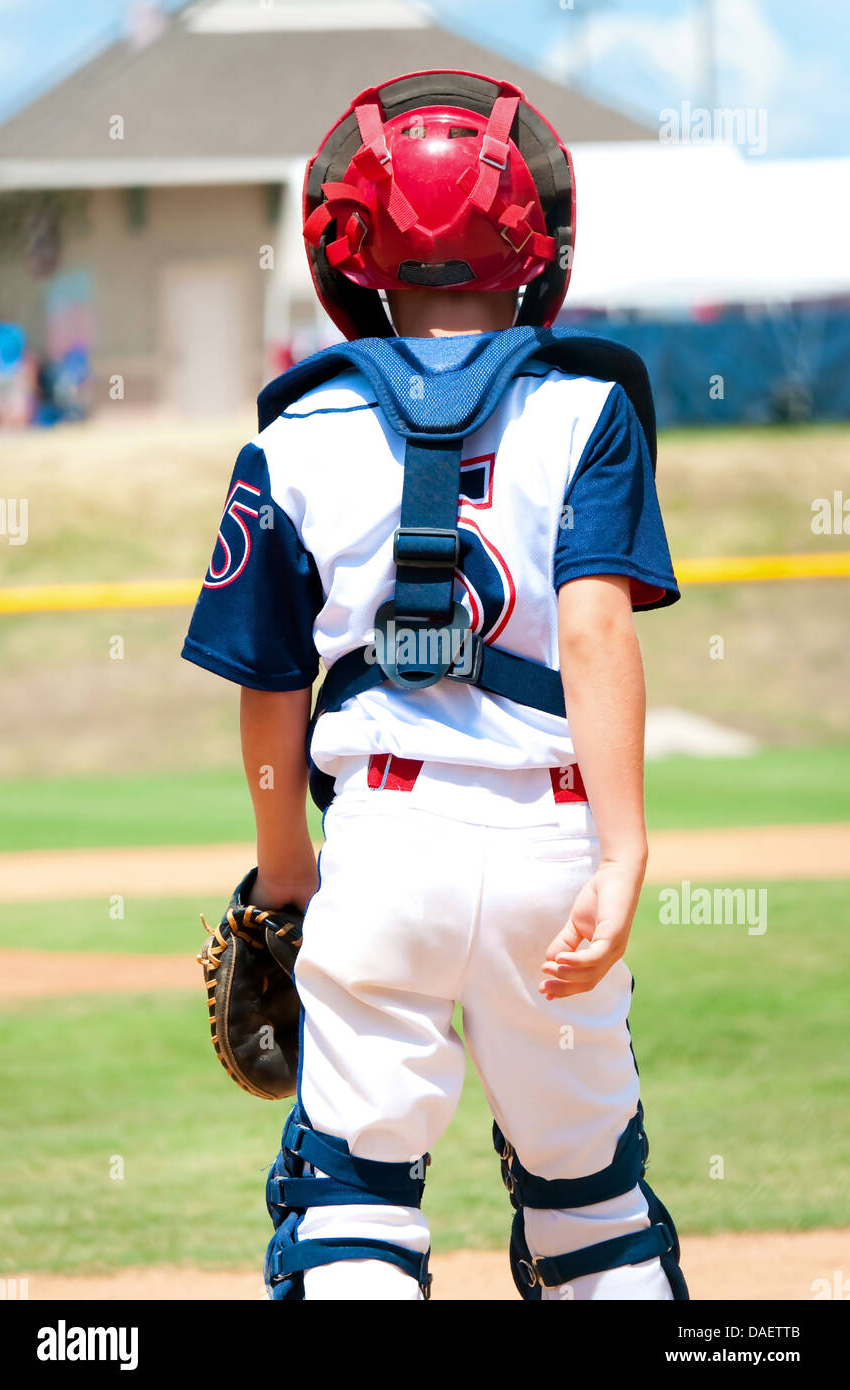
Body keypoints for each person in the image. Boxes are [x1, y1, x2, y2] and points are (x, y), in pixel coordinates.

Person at [182, 70, 687, 1302]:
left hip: (384, 841)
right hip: (551, 846)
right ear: (534, 235)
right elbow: (592, 633)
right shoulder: (588, 408)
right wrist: (619, 856)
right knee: (590, 1200)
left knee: (350, 1202)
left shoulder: (293, 436)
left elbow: (268, 684)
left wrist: (285, 861)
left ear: (348, 241)